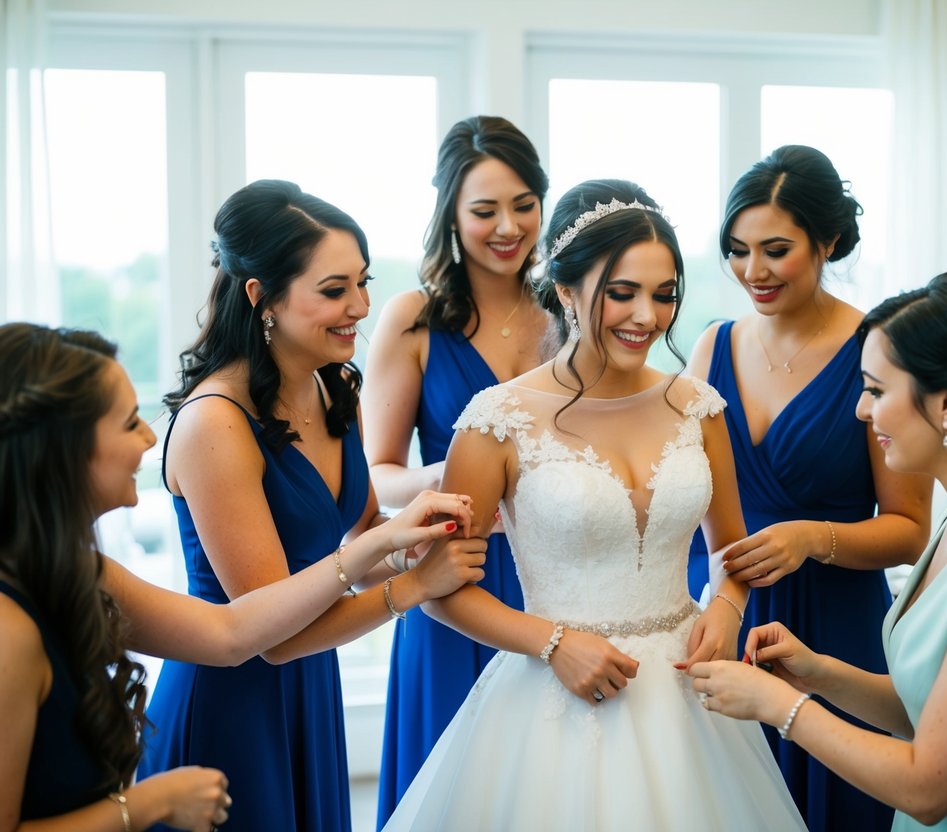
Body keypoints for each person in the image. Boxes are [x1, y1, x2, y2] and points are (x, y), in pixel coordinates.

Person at [380, 179, 806, 830]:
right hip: (553, 698)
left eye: (663, 295)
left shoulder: (698, 406)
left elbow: (728, 552)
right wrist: (553, 644)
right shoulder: (496, 420)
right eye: (622, 293)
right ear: (567, 290)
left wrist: (725, 605)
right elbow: (438, 588)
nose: (646, 316)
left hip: (688, 696)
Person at [0, 322, 478, 830]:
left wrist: (385, 546)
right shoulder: (9, 632)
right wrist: (143, 804)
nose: (148, 437)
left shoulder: (80, 570)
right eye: (127, 422)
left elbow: (230, 634)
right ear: (61, 448)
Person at [690, 270, 947, 830]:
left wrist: (777, 706)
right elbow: (934, 711)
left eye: (877, 391)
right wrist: (817, 674)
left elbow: (929, 784)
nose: (863, 412)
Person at [136, 179, 486, 832]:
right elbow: (271, 635)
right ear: (259, 296)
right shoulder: (216, 423)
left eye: (362, 281)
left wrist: (420, 534)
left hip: (310, 685)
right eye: (333, 290)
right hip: (233, 698)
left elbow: (361, 537)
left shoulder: (335, 390)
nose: (360, 305)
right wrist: (411, 583)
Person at [686, 144, 932, 829]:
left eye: (774, 249)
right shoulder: (712, 346)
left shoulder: (874, 349)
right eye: (736, 250)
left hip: (836, 630)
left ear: (825, 241)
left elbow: (910, 528)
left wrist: (810, 538)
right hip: (728, 615)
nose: (751, 271)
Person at [362, 114, 550, 823]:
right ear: (450, 214)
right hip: (452, 581)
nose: (507, 226)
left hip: (549, 581)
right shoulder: (414, 319)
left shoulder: (565, 309)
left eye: (523, 205)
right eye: (484, 211)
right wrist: (453, 470)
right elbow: (376, 476)